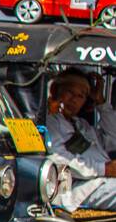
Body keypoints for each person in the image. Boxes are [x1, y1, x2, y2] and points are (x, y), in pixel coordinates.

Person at [45, 70, 116, 211]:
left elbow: (113, 138)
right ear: (58, 91)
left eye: (81, 96)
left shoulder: (82, 125)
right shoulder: (51, 123)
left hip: (104, 183)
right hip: (82, 188)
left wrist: (101, 103)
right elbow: (60, 160)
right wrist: (104, 169)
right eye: (70, 92)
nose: (74, 100)